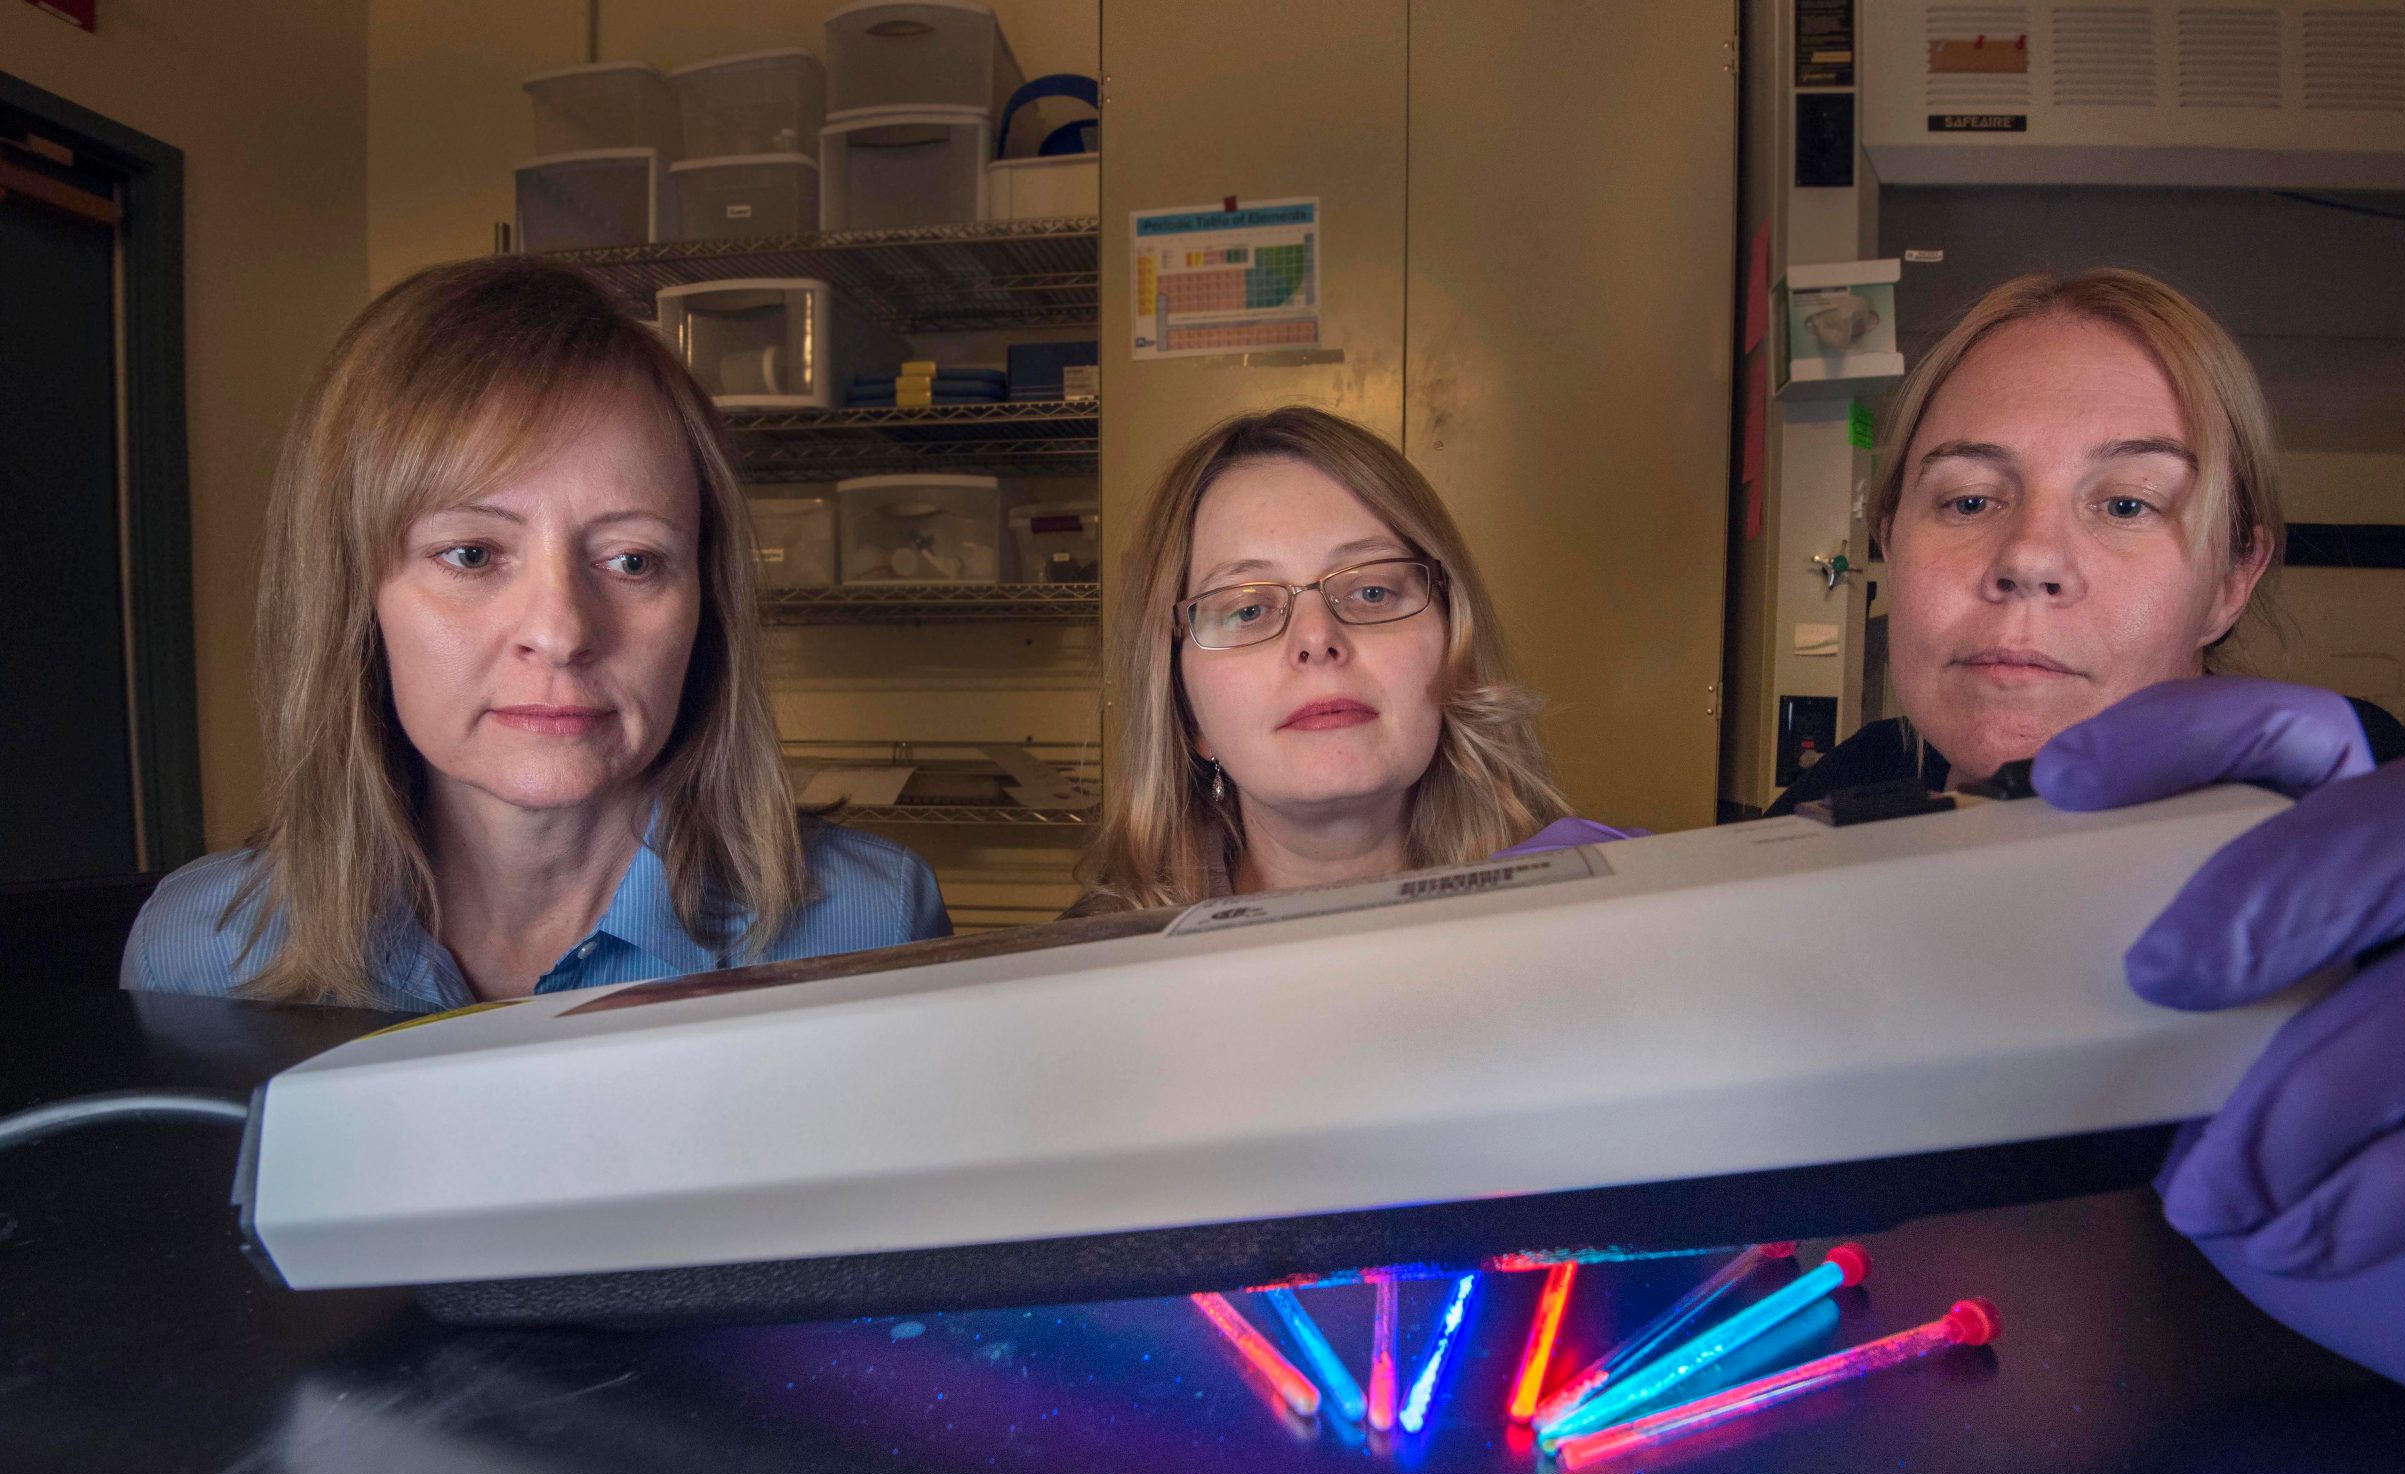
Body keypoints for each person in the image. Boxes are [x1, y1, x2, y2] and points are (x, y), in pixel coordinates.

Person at [1778, 268, 2405, 1460]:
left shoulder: (2403, 841)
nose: (2028, 557)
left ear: (2233, 575)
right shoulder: (1834, 812)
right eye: (1967, 497)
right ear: (1887, 546)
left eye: (2129, 504)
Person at [122, 258, 948, 1011]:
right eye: (472, 554)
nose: (560, 633)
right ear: (353, 599)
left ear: (707, 604)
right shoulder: (200, 955)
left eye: (632, 560)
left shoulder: (872, 927)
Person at [1070, 406, 1632, 914]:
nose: (1317, 639)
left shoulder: (1602, 913)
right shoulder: (1082, 986)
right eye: (1247, 610)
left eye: (1372, 592)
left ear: (1454, 645)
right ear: (1187, 712)